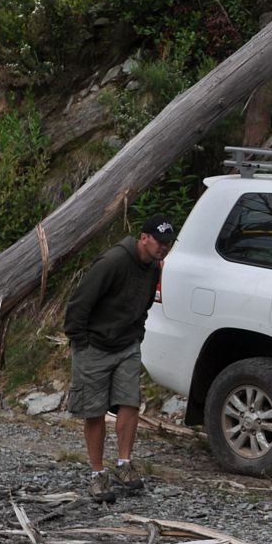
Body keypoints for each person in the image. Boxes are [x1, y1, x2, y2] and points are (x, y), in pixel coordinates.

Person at [64, 215, 176, 504]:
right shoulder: (113, 262)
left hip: (127, 343)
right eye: (159, 241)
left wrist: (136, 334)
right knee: (95, 410)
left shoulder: (153, 268)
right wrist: (82, 342)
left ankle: (124, 464)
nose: (163, 247)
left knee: (129, 402)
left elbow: (146, 304)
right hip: (94, 345)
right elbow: (79, 304)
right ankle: (97, 474)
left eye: (168, 243)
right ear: (143, 238)